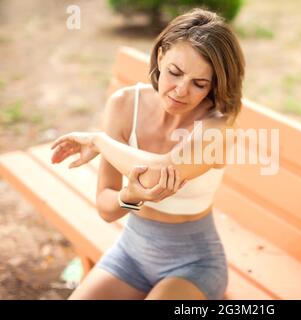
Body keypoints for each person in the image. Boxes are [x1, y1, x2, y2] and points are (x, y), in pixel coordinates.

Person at [50, 8, 245, 300]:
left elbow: (162, 172)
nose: (180, 91)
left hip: (194, 266)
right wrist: (131, 196)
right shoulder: (125, 104)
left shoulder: (219, 126)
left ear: (215, 84)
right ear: (162, 54)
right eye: (175, 73)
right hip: (131, 254)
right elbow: (106, 207)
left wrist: (99, 142)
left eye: (199, 83)